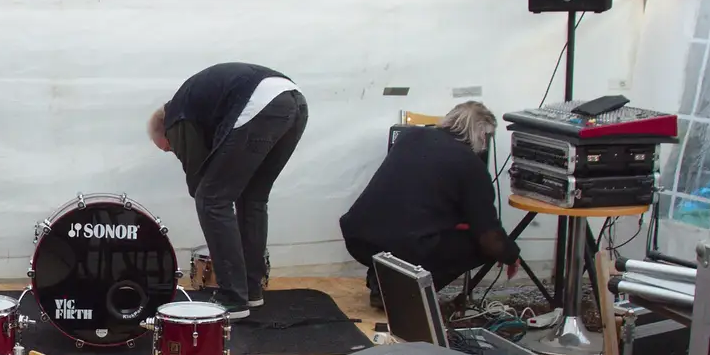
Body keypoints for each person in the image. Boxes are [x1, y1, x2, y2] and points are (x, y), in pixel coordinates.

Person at [148, 63, 308, 320]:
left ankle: (233, 297)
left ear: (166, 131)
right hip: (293, 102)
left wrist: (204, 197)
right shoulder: (197, 105)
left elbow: (197, 174)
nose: (173, 151)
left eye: (168, 148)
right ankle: (251, 290)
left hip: (260, 103)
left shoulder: (176, 116)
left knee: (211, 200)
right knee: (252, 198)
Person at [339, 100, 519, 307]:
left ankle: (384, 286)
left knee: (403, 238)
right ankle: (405, 297)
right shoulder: (471, 165)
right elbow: (488, 234)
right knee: (481, 247)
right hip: (405, 245)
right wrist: (509, 254)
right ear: (481, 134)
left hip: (360, 238)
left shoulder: (411, 137)